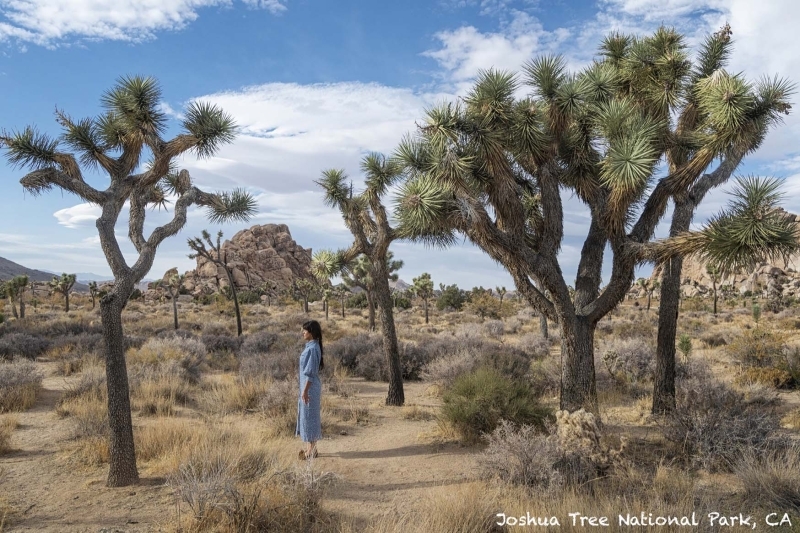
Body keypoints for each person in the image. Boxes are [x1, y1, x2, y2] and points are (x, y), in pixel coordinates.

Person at [296, 319, 324, 460]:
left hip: (310, 388)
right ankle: (311, 449)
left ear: (311, 332)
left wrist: (305, 391)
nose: (303, 332)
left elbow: (311, 373)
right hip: (307, 387)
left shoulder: (313, 348)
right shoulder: (312, 346)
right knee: (308, 417)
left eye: (305, 330)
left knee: (310, 418)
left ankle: (312, 451)